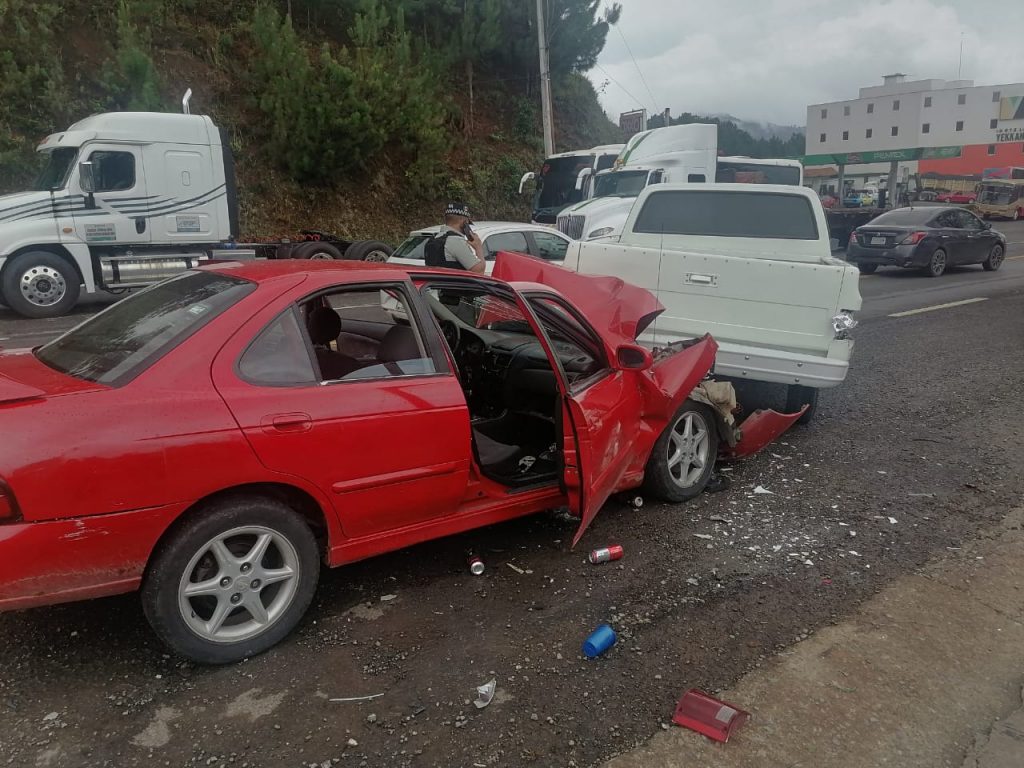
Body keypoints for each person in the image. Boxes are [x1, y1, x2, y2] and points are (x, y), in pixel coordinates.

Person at [424, 202, 485, 273]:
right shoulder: (456, 241)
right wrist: (478, 248)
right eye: (468, 223)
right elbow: (479, 271)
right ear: (464, 222)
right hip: (455, 284)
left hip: (435, 283)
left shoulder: (433, 239)